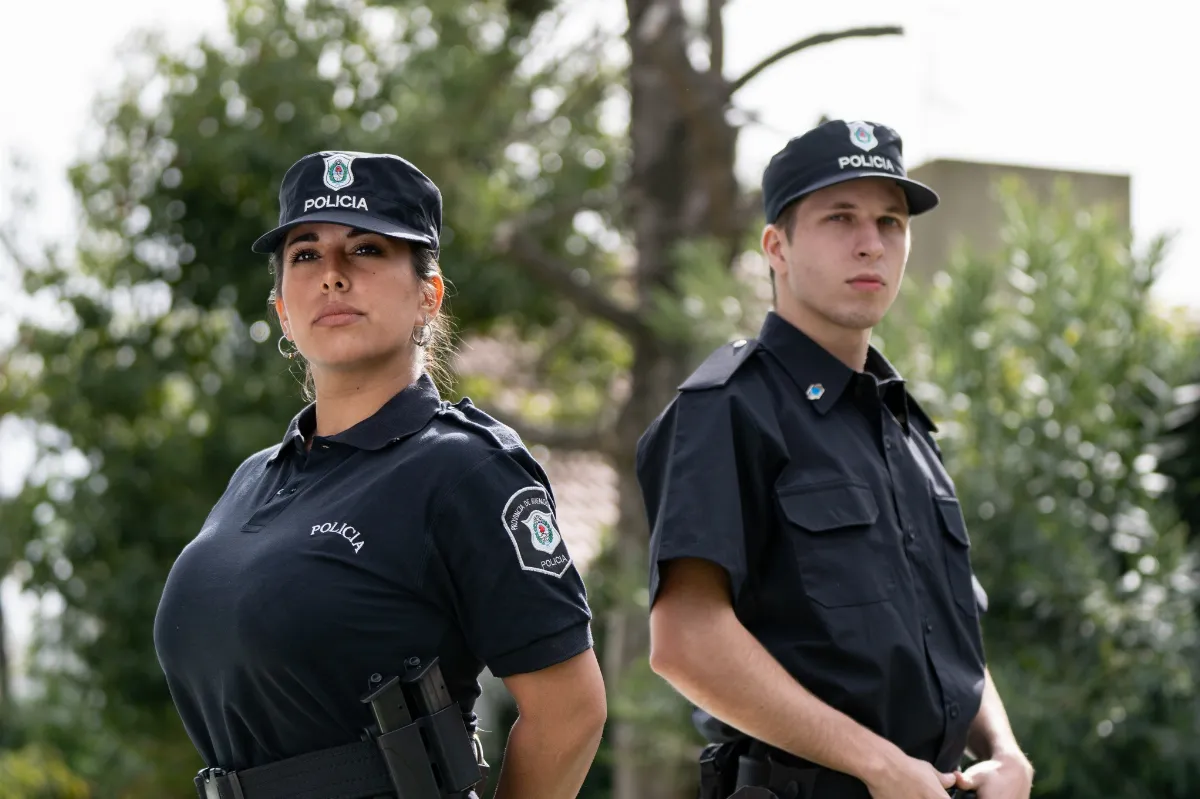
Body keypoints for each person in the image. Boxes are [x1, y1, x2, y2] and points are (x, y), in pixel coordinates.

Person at [153, 151, 606, 799]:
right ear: (282, 307)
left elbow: (570, 709)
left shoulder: (463, 466)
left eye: (366, 249)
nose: (332, 275)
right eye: (305, 254)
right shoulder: (251, 479)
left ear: (429, 293)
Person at [635, 121, 1035, 799]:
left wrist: (1001, 747)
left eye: (890, 221)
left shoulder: (904, 426)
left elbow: (944, 633)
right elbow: (685, 640)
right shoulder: (729, 408)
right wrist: (877, 763)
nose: (870, 243)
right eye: (840, 217)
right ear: (777, 246)